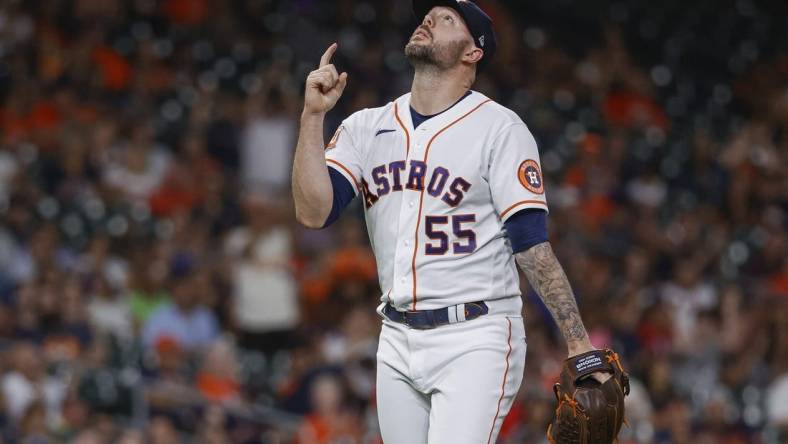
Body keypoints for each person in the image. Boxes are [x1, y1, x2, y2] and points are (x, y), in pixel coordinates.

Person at [291, 1, 609, 442]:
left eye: (446, 20)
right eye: (429, 15)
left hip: (475, 336)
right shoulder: (368, 126)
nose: (428, 20)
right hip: (397, 335)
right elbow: (313, 211)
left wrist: (577, 341)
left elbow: (531, 244)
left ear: (472, 52)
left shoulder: (500, 129)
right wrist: (312, 117)